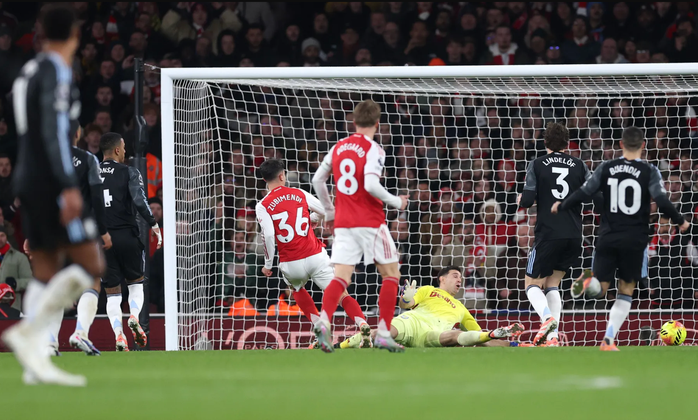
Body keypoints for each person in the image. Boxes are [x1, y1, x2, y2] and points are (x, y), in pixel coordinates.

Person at [2, 4, 104, 387]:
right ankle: (30, 333)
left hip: (28, 178)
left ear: (41, 33)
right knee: (92, 265)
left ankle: (36, 362)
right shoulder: (58, 71)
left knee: (45, 272)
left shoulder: (28, 70)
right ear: (75, 34)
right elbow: (54, 132)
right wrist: (67, 185)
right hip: (50, 183)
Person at [552, 127, 690, 351]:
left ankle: (588, 281)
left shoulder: (606, 167)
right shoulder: (649, 170)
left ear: (621, 144)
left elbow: (585, 192)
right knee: (626, 290)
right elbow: (662, 202)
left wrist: (562, 205)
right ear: (643, 145)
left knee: (601, 290)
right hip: (634, 240)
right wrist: (680, 221)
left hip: (608, 236)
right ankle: (608, 339)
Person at [312, 99, 409, 353]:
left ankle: (323, 322)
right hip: (370, 221)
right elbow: (370, 185)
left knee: (341, 278)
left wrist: (330, 212)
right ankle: (384, 334)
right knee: (391, 274)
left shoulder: (338, 147)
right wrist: (397, 201)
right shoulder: (374, 149)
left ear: (354, 122)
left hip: (343, 223)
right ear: (377, 123)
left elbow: (318, 180)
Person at [256, 159, 372, 348]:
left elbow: (268, 235)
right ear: (282, 176)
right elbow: (326, 210)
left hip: (291, 262)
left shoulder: (262, 205)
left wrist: (268, 265)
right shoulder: (298, 193)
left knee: (296, 290)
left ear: (264, 179)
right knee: (341, 295)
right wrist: (312, 219)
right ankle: (362, 324)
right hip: (315, 255)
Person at [518, 122, 592, 347]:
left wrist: (525, 199)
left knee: (531, 285)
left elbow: (527, 200)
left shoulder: (537, 163)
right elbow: (592, 194)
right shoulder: (580, 165)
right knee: (552, 284)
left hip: (549, 233)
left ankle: (547, 319)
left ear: (545, 142)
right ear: (567, 143)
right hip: (574, 234)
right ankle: (552, 338)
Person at [337, 266, 524, 349]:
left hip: (433, 333)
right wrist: (406, 297)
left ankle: (494, 333)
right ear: (442, 278)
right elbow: (406, 305)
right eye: (455, 276)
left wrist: (511, 344)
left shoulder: (462, 308)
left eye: (461, 278)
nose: (459, 280)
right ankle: (341, 346)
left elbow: (480, 338)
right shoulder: (428, 290)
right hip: (413, 321)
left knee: (455, 336)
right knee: (385, 332)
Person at [99, 132, 162, 351]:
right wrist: (153, 224)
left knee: (112, 293)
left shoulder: (90, 173)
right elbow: (139, 200)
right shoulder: (129, 171)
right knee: (136, 284)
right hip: (127, 236)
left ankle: (119, 336)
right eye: (124, 147)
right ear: (117, 150)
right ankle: (134, 316)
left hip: (102, 240)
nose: (125, 151)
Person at [65, 122, 112, 356]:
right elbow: (97, 198)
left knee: (53, 283)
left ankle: (49, 342)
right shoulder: (87, 159)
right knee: (92, 282)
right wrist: (102, 230)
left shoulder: (44, 161)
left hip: (51, 231)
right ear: (78, 134)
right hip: (80, 230)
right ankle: (80, 332)